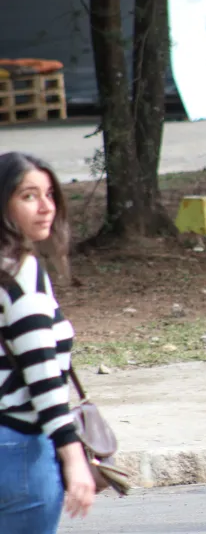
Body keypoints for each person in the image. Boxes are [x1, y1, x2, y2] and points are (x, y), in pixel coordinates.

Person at [0, 152, 96, 533]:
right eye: (28, 196)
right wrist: (73, 456)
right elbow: (41, 373)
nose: (46, 208)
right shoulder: (22, 271)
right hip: (21, 445)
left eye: (50, 194)